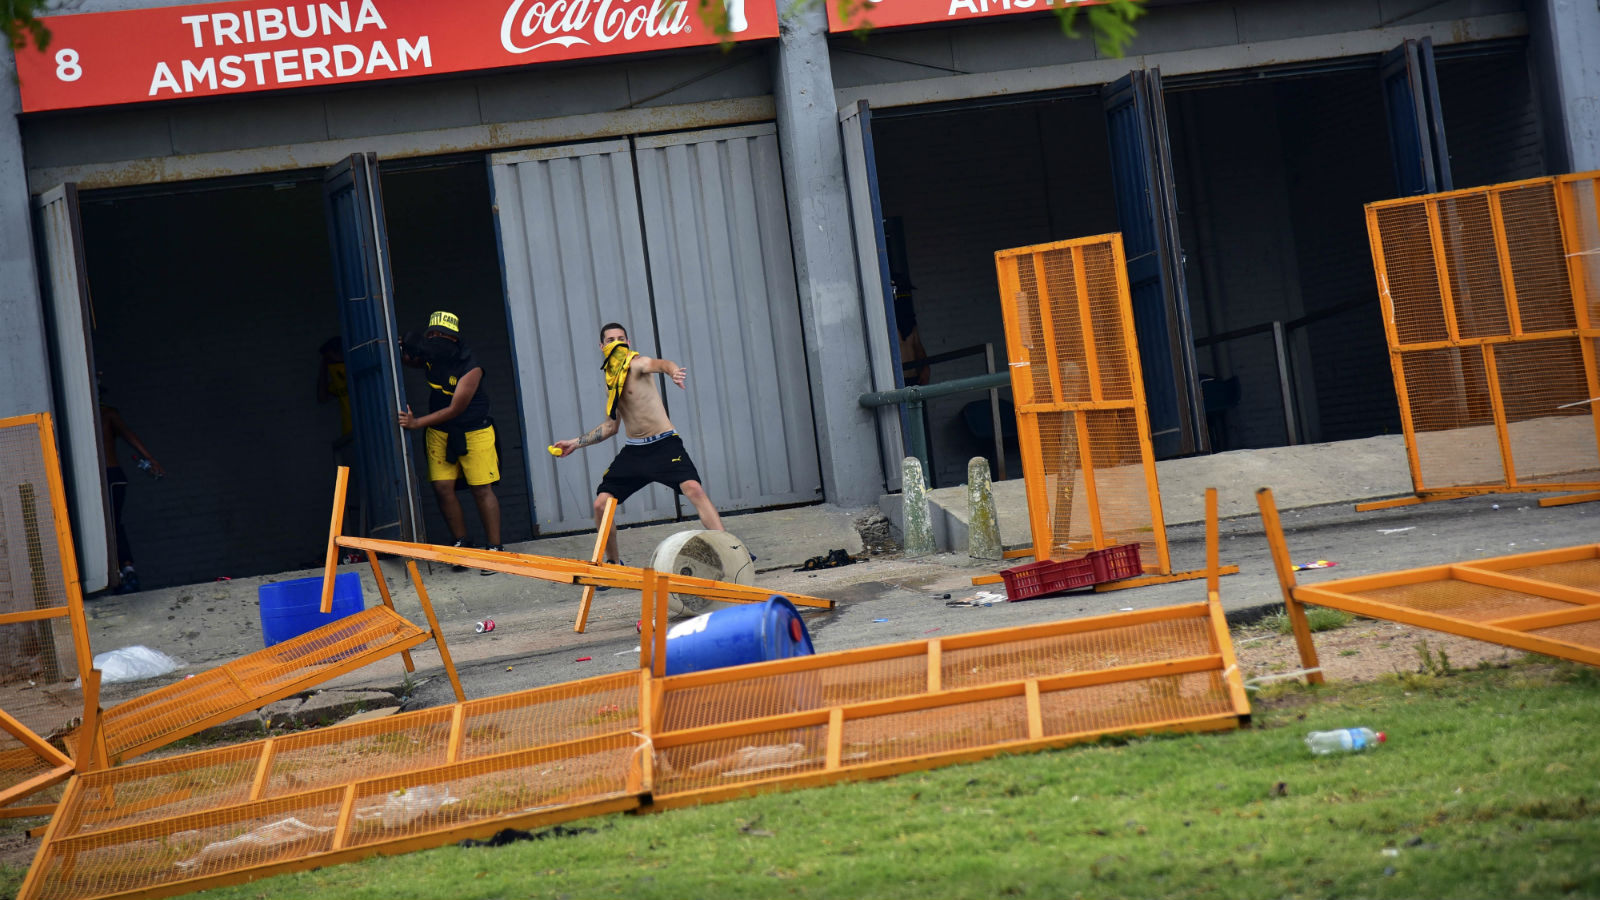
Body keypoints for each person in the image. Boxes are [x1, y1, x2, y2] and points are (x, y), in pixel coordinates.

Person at [552, 322, 725, 569]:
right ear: (602, 347)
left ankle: (730, 550)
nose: (617, 342)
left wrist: (673, 371)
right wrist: (575, 443)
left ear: (629, 343)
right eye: (611, 339)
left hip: (665, 444)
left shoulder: (637, 364)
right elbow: (611, 427)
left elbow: (661, 364)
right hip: (635, 451)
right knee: (601, 504)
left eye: (621, 338)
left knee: (694, 489)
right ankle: (613, 563)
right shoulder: (612, 381)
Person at [397, 310, 502, 574]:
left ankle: (495, 550)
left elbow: (456, 408)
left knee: (481, 489)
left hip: (473, 431)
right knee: (443, 488)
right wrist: (399, 347)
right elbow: (411, 360)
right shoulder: (431, 357)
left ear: (453, 339)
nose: (435, 339)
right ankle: (462, 544)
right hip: (439, 433)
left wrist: (416, 423)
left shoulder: (471, 367)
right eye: (431, 335)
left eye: (441, 335)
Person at [99, 375, 164, 594]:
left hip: (108, 475)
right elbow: (130, 437)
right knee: (112, 524)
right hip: (111, 477)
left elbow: (129, 436)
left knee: (110, 525)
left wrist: (152, 460)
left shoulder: (105, 414)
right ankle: (122, 569)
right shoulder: (103, 413)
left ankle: (123, 569)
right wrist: (152, 460)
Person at [893, 273, 931, 386]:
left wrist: (925, 368)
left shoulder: (910, 321)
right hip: (897, 382)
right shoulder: (885, 323)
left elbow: (917, 345)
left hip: (914, 379)